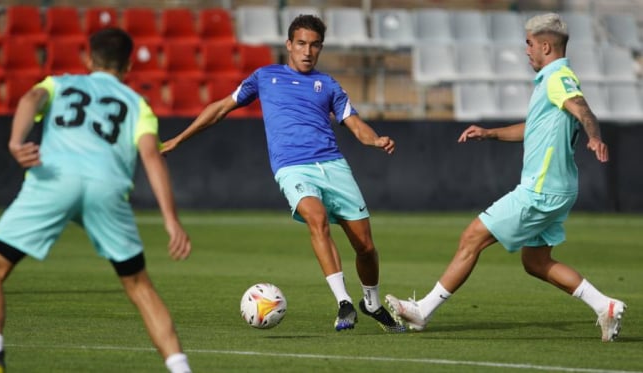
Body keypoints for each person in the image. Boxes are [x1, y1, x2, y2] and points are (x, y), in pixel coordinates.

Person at [0, 28, 193, 373]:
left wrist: (15, 141)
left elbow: (28, 100)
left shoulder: (59, 83)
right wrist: (170, 219)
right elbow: (151, 156)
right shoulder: (136, 104)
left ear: (88, 59)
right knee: (139, 286)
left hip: (54, 180)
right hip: (107, 187)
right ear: (128, 65)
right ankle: (181, 369)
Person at [385, 13, 626, 342]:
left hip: (540, 190)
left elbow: (583, 109)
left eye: (529, 44)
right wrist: (490, 133)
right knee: (536, 260)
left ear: (544, 45)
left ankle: (422, 311)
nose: (526, 50)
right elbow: (534, 128)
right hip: (559, 189)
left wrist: (594, 136)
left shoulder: (558, 78)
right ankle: (605, 305)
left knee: (472, 237)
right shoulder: (554, 81)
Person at [161, 14, 404, 333]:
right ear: (289, 45)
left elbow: (354, 123)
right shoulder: (265, 77)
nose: (307, 51)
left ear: (320, 48)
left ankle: (370, 303)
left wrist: (375, 139)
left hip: (333, 165)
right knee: (316, 220)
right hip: (292, 166)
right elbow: (220, 108)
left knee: (366, 247)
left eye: (314, 45)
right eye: (301, 43)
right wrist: (179, 138)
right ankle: (344, 302)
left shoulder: (328, 84)